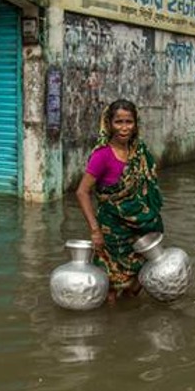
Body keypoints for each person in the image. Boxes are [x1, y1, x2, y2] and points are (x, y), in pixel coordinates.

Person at [75, 99, 164, 303]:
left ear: (135, 124)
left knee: (138, 279)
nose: (124, 128)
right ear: (109, 124)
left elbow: (147, 189)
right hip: (112, 231)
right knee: (111, 286)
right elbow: (81, 192)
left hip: (140, 229)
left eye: (129, 122)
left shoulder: (139, 152)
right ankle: (111, 324)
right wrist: (95, 231)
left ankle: (128, 325)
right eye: (118, 122)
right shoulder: (102, 155)